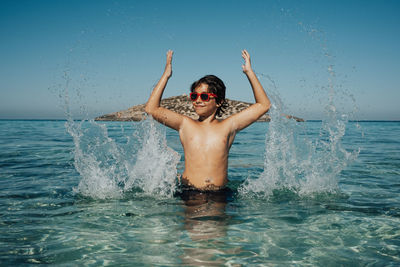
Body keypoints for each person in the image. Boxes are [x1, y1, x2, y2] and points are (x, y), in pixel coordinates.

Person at [145, 50, 270, 191]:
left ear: (218, 102)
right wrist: (166, 75)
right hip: (190, 193)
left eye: (204, 97)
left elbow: (263, 105)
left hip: (220, 194)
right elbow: (151, 109)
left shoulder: (229, 125)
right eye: (194, 96)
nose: (198, 101)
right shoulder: (185, 124)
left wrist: (249, 73)